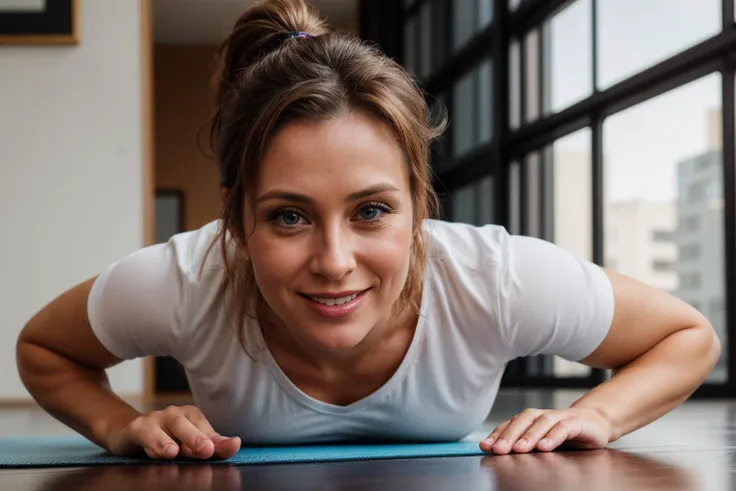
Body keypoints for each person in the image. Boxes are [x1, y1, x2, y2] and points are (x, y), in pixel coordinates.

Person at [16, 0, 720, 462]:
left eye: (371, 210)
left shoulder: (493, 277)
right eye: (288, 216)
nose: (334, 260)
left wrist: (600, 412)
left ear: (418, 202)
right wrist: (116, 426)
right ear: (236, 215)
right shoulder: (185, 279)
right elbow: (44, 348)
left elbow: (687, 336)